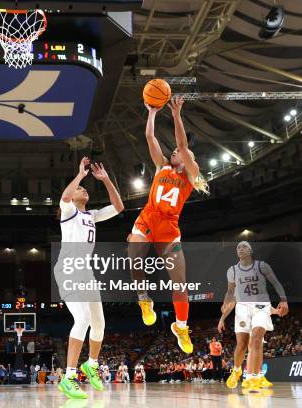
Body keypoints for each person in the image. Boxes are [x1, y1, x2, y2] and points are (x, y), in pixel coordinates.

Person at [128, 96, 209, 354]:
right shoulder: (161, 166)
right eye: (173, 151)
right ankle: (144, 300)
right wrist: (152, 112)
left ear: (188, 160)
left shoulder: (190, 175)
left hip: (169, 230)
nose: (175, 152)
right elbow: (150, 138)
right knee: (134, 259)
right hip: (148, 218)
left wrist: (176, 115)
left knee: (180, 283)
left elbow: (184, 145)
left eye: (180, 153)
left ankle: (181, 326)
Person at [56, 157, 124, 399]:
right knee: (82, 318)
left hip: (86, 272)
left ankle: (91, 364)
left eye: (84, 189)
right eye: (79, 189)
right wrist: (80, 176)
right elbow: (65, 197)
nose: (82, 190)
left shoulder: (92, 215)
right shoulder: (69, 211)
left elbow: (118, 207)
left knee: (99, 324)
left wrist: (105, 180)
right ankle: (69, 377)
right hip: (68, 269)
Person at [218, 241, 288, 392]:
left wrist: (283, 300)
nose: (240, 249)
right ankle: (237, 370)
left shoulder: (262, 266)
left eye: (243, 246)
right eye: (238, 247)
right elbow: (230, 292)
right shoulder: (233, 271)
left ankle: (254, 377)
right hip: (243, 309)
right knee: (242, 345)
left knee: (256, 340)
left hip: (261, 307)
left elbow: (276, 282)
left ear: (250, 250)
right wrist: (224, 307)